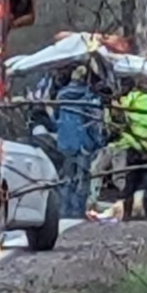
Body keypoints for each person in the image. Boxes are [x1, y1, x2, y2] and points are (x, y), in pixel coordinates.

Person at [54, 65, 103, 218]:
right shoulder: (87, 97)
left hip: (64, 141)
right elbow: (93, 122)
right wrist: (98, 141)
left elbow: (56, 117)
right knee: (82, 177)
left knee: (66, 176)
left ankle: (64, 209)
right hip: (83, 142)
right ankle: (78, 210)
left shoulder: (61, 95)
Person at [113, 77, 147, 220]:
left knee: (131, 181)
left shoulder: (130, 99)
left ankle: (127, 215)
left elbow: (117, 110)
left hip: (133, 143)